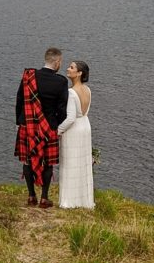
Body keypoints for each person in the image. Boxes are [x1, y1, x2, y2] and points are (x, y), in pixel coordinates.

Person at [14, 47, 68, 208]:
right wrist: (54, 125)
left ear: (46, 59)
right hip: (48, 126)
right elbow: (62, 110)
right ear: (57, 62)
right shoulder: (61, 81)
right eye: (61, 62)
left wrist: (20, 121)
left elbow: (19, 101)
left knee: (28, 160)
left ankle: (31, 196)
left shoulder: (28, 77)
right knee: (48, 163)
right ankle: (44, 198)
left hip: (27, 125)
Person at [57, 60, 94, 209]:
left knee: (70, 163)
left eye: (72, 67)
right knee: (82, 164)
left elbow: (71, 118)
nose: (68, 68)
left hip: (74, 130)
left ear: (79, 73)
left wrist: (57, 131)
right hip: (85, 125)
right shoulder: (88, 90)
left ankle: (69, 201)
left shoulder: (71, 92)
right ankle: (84, 200)